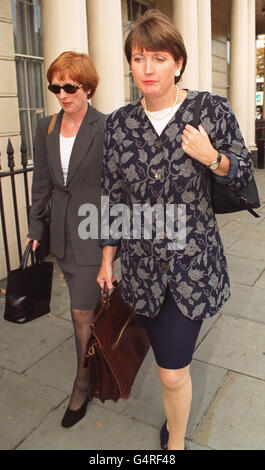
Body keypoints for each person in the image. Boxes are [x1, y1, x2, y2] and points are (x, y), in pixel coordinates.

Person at [97, 10, 254, 450]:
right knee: (167, 361)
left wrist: (211, 157)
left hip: (192, 266)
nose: (147, 68)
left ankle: (176, 443)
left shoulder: (210, 110)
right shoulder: (119, 124)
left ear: (178, 63)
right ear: (130, 65)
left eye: (159, 57)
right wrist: (108, 260)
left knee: (170, 370)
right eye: (138, 57)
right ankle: (175, 416)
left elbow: (243, 175)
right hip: (143, 269)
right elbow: (112, 196)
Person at [27, 51, 105, 428]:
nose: (61, 94)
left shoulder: (105, 127)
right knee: (84, 311)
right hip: (61, 234)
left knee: (80, 312)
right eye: (55, 87)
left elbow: (115, 188)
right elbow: (41, 183)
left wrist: (111, 245)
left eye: (69, 87)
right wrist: (34, 229)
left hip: (93, 234)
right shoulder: (45, 127)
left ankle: (83, 381)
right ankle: (94, 362)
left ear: (87, 87)